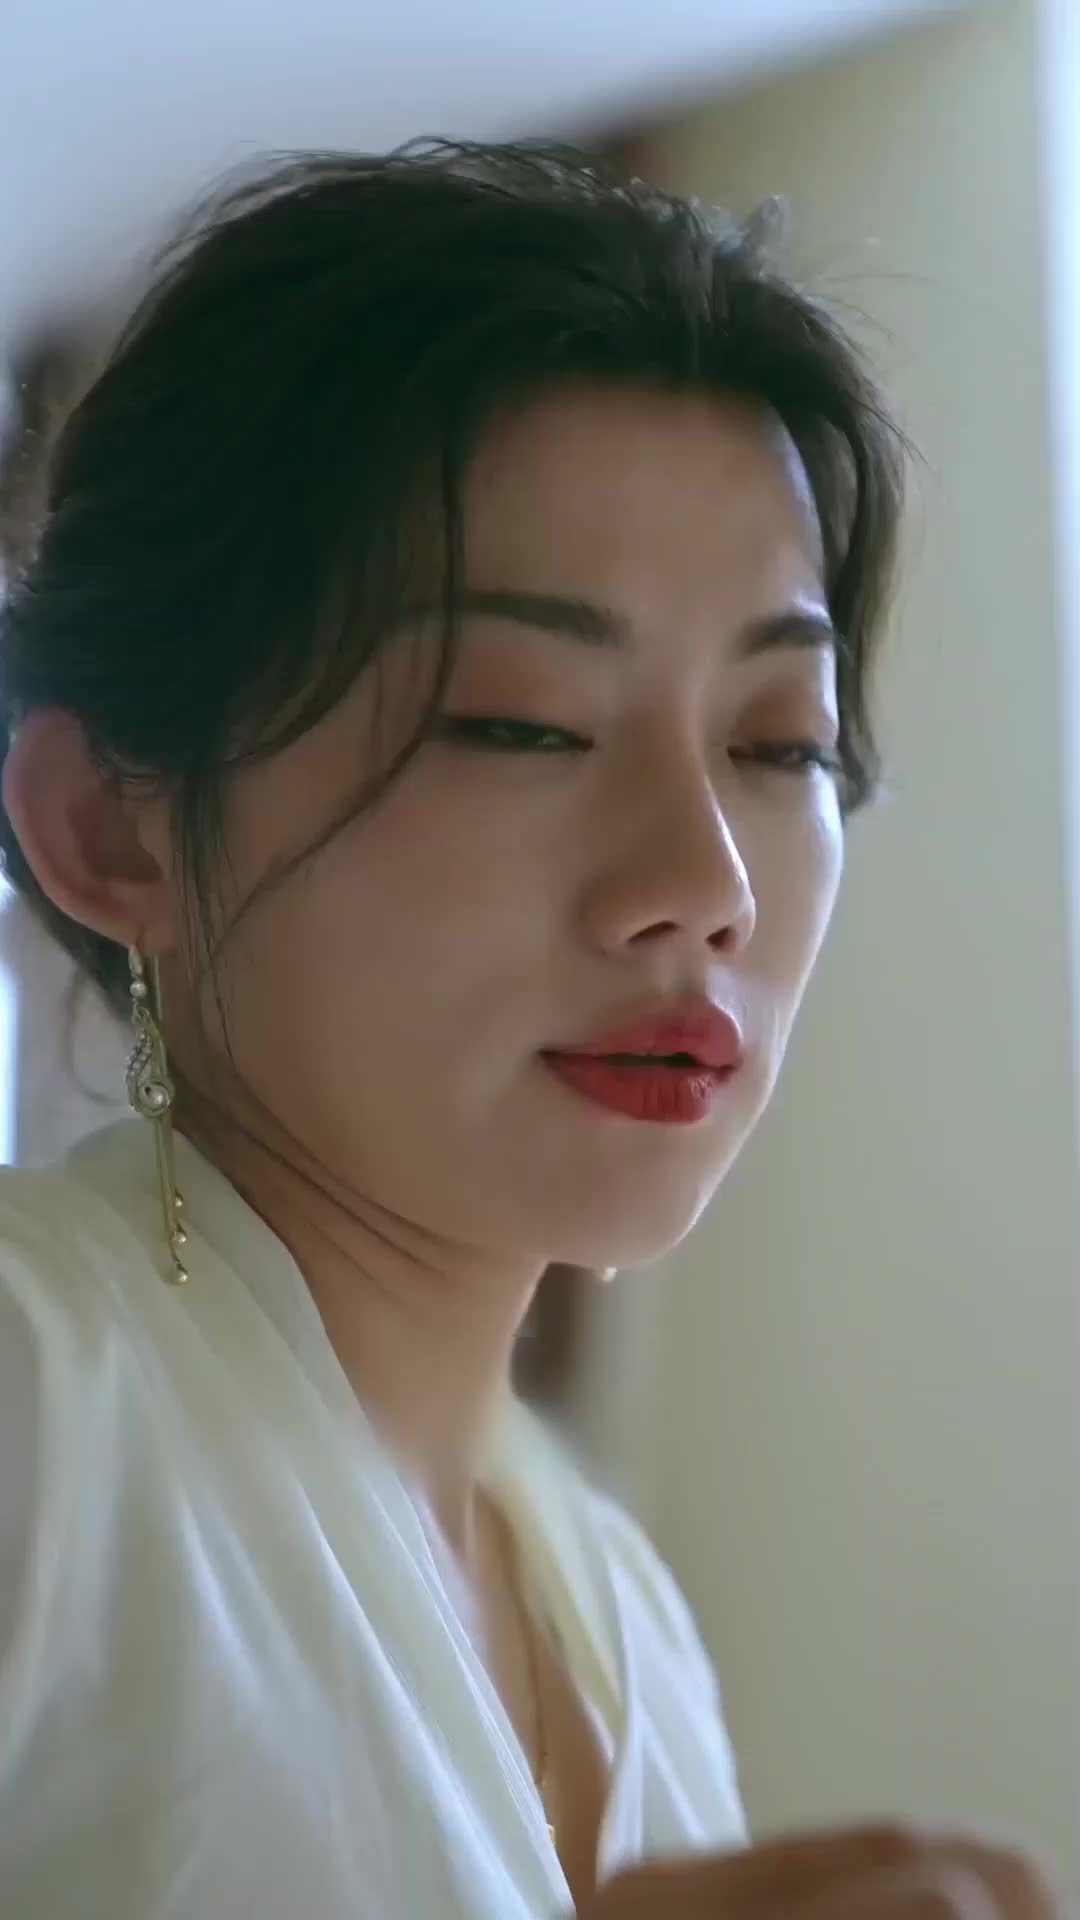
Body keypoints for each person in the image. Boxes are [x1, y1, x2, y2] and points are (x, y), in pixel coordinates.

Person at [0, 140, 1061, 1920]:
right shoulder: (40, 1401)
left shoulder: (621, 1611)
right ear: (112, 827)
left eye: (781, 743)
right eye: (522, 723)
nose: (703, 884)